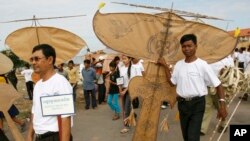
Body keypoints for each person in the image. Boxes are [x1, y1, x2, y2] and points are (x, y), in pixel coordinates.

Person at [158, 34, 227, 141]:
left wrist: (222, 106)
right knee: (186, 136)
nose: (186, 49)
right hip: (182, 105)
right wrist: (165, 66)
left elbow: (218, 85)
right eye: (184, 46)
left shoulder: (202, 65)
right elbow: (172, 82)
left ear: (196, 46)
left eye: (189, 46)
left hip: (197, 105)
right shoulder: (179, 65)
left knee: (192, 137)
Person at [26, 44, 73, 141]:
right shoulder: (38, 85)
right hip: (39, 137)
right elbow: (34, 111)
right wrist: (30, 135)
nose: (33, 62)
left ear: (50, 60)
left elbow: (65, 118)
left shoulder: (60, 83)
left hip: (54, 137)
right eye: (32, 59)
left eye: (37, 59)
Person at [201, 56, 233, 135]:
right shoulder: (206, 58)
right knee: (206, 106)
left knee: (221, 107)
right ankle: (203, 128)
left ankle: (223, 124)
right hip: (207, 86)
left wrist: (225, 71)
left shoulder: (227, 59)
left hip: (221, 88)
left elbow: (231, 73)